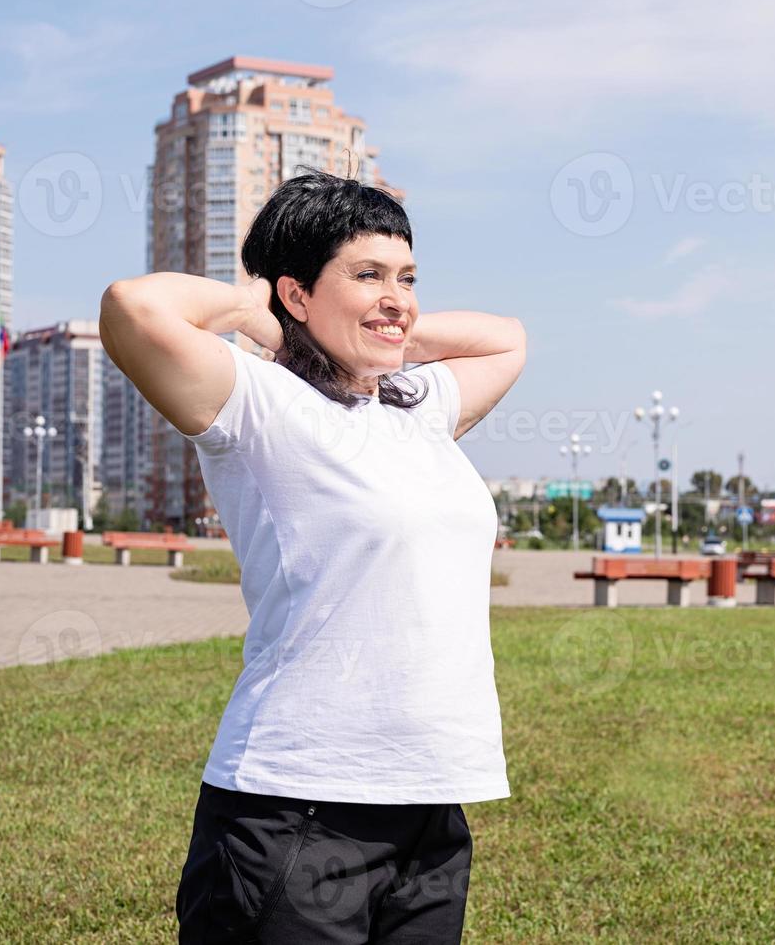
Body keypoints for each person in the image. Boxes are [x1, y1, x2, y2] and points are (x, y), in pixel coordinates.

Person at [99, 170, 526, 944]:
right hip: (295, 811)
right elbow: (133, 308)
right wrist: (260, 315)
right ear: (296, 293)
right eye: (367, 274)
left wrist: (377, 325)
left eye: (407, 277)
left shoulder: (412, 408)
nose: (398, 295)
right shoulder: (259, 405)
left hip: (431, 809)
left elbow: (508, 338)